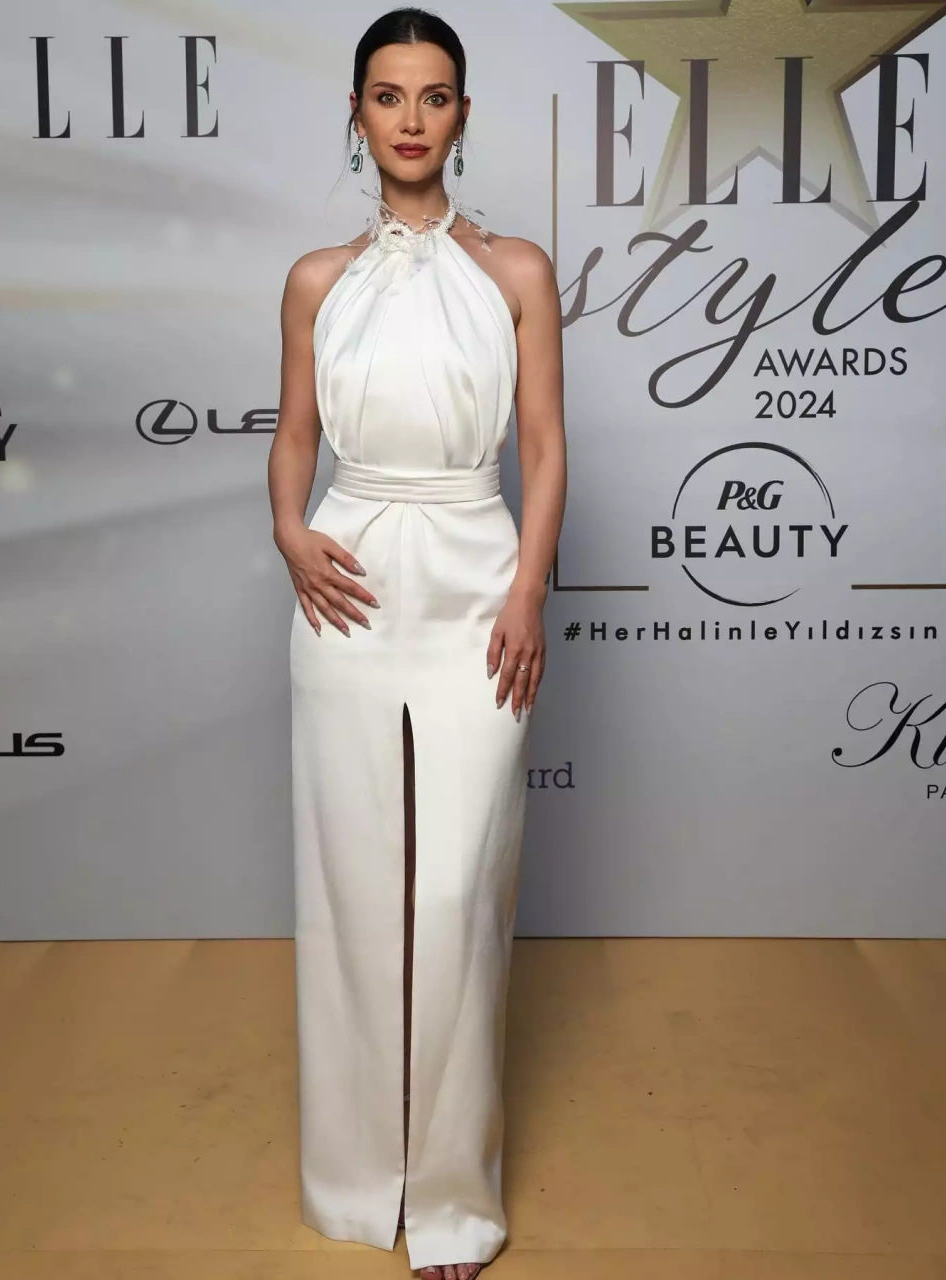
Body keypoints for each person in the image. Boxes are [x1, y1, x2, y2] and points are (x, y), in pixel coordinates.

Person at [268, 8, 566, 1278]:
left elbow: (543, 445)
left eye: (433, 95)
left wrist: (527, 591)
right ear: (356, 113)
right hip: (345, 587)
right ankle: (353, 1177)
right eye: (386, 95)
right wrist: (290, 533)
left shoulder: (518, 272)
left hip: (476, 582)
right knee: (350, 884)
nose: (409, 117)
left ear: (460, 115)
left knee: (456, 892)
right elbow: (294, 435)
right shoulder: (313, 280)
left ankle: (447, 1191)